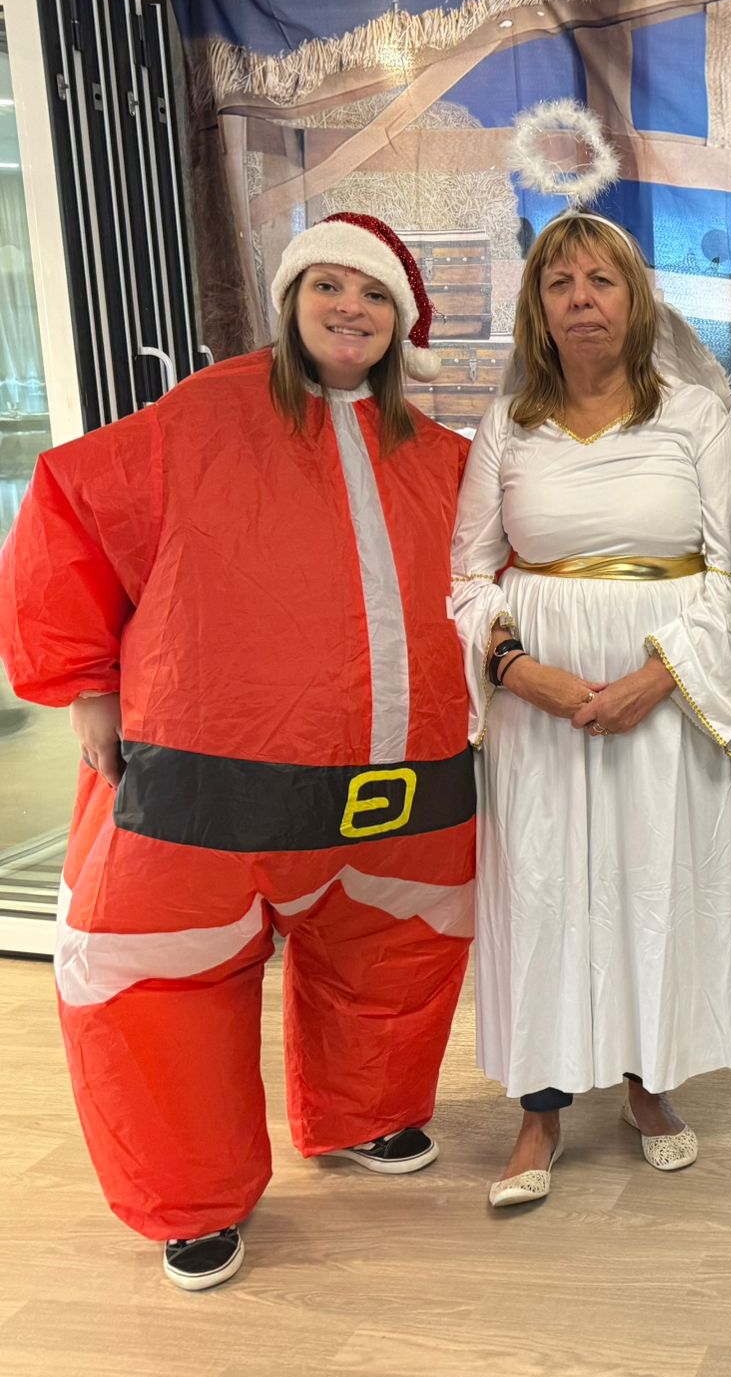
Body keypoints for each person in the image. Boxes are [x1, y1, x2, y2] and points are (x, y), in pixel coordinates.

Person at [0, 212, 476, 1291]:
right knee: (162, 984)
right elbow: (69, 508)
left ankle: (367, 1113)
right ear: (292, 300)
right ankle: (192, 1196)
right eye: (329, 287)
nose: (349, 309)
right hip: (206, 783)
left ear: (401, 323)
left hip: (405, 785)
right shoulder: (198, 418)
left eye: (372, 295)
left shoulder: (443, 457)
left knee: (393, 955)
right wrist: (84, 685)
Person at [449, 211, 731, 1207]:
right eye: (560, 283)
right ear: (536, 307)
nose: (582, 300)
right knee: (544, 889)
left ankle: (645, 1085)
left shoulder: (694, 415)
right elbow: (465, 572)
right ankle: (539, 1115)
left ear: (634, 300)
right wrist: (514, 667)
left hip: (659, 700)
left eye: (601, 281)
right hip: (539, 708)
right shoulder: (508, 421)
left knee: (649, 880)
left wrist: (657, 676)